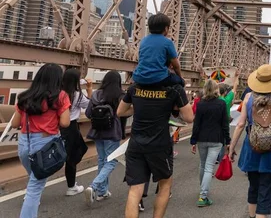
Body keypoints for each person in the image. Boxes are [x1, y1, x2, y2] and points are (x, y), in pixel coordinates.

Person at [117, 62, 194, 218]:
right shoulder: (174, 89)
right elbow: (189, 117)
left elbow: (120, 111)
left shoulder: (135, 88)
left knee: (135, 189)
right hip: (160, 145)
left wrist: (138, 108)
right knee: (164, 185)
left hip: (136, 144)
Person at [228, 64, 271, 218]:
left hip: (252, 147)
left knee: (253, 186)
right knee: (265, 190)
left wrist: (231, 148)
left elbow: (240, 124)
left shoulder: (248, 97)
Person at [11, 63, 71, 218]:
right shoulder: (60, 96)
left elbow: (14, 124)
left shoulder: (25, 97)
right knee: (34, 189)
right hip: (45, 144)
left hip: (24, 143)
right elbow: (65, 123)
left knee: (34, 181)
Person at [84, 71, 124, 206]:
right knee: (112, 161)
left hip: (97, 132)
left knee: (102, 160)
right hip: (111, 132)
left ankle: (102, 192)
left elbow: (88, 113)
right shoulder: (119, 96)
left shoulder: (96, 94)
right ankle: (94, 186)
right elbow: (123, 113)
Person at [190, 79, 230, 207]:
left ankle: (203, 192)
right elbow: (225, 124)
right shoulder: (221, 104)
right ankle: (203, 196)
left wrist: (193, 140)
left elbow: (196, 124)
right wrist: (227, 141)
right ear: (216, 89)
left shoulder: (201, 104)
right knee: (209, 167)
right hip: (216, 139)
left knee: (202, 165)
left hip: (202, 138)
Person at [61, 69, 92, 196]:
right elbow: (89, 105)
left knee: (53, 156)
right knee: (73, 156)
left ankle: (34, 190)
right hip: (71, 127)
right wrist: (89, 88)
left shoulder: (59, 92)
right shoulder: (77, 95)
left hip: (57, 127)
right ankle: (71, 186)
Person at [132, 13, 184, 87]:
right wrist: (180, 77)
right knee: (181, 82)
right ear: (166, 28)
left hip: (139, 78)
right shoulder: (167, 42)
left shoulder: (143, 41)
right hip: (158, 79)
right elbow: (176, 66)